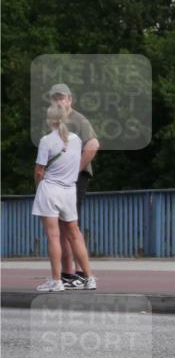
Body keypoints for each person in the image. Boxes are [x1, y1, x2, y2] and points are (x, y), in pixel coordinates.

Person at [32, 104, 97, 292]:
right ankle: (90, 278)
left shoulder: (46, 141)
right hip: (69, 191)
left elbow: (39, 170)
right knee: (75, 234)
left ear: (49, 120)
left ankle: (56, 281)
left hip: (50, 189)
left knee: (54, 236)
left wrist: (38, 186)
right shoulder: (76, 140)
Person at [46, 84, 100, 289]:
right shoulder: (57, 122)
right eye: (55, 98)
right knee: (63, 225)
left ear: (70, 99)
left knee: (71, 225)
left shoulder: (78, 120)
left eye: (61, 97)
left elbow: (93, 144)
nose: (58, 101)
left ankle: (81, 273)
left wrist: (75, 169)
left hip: (76, 178)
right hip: (61, 179)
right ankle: (68, 273)